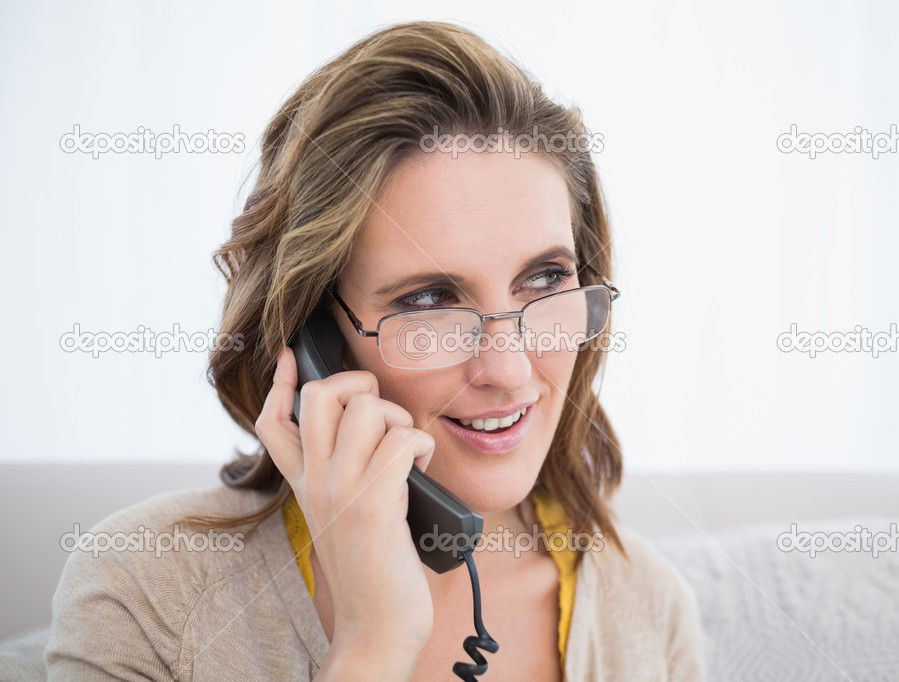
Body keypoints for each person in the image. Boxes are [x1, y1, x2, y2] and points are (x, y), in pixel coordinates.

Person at [45, 20, 705, 681]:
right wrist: (373, 643)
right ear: (316, 341)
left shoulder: (645, 608)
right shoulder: (147, 592)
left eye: (545, 279)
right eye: (428, 301)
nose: (506, 371)